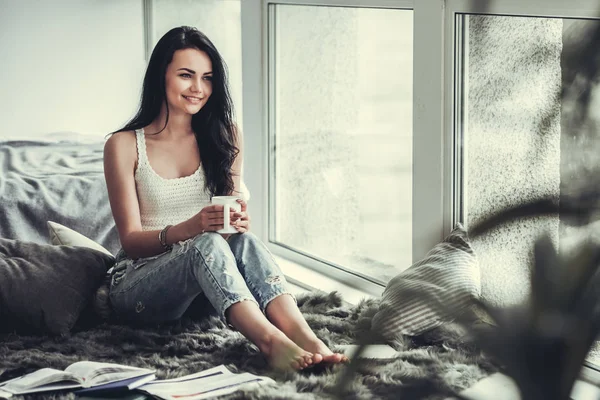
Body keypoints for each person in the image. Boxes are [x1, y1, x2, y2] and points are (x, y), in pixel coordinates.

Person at [103, 26, 347, 371]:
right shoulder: (124, 145)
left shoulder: (225, 135)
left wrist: (235, 224)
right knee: (205, 243)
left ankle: (308, 339)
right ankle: (271, 342)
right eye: (186, 75)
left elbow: (228, 224)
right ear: (161, 76)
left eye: (208, 78)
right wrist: (192, 228)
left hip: (204, 292)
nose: (199, 89)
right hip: (139, 286)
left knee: (243, 240)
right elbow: (130, 242)